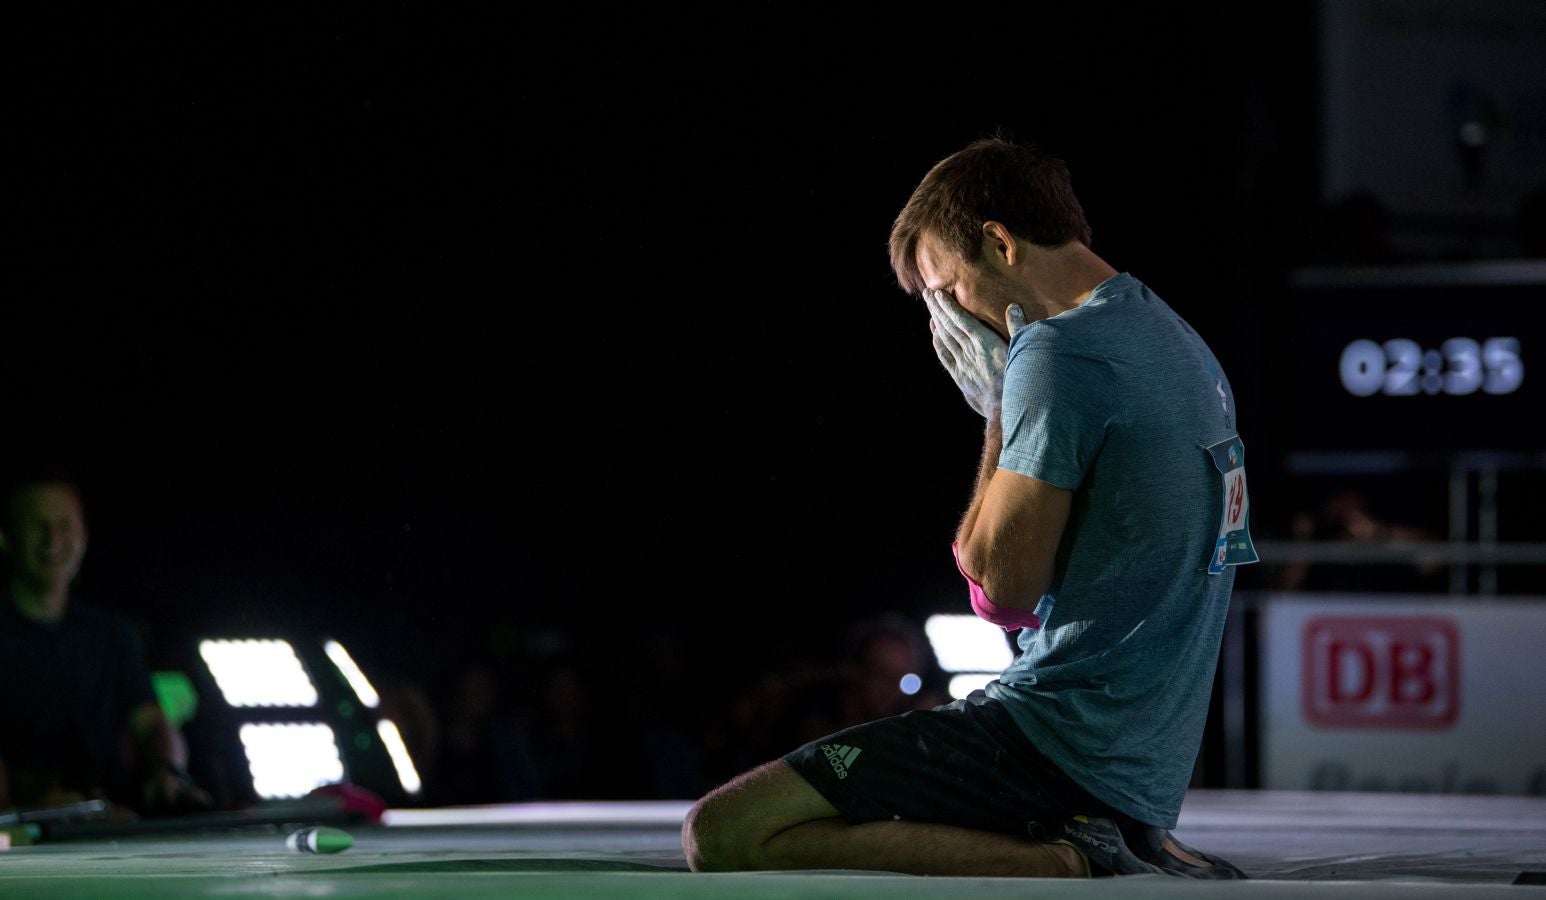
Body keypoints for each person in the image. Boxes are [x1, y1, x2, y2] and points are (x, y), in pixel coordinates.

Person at [681, 135, 1256, 879]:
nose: (950, 320)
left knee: (724, 831)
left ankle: (1069, 860)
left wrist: (998, 407)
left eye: (946, 291)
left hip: (1054, 743)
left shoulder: (1058, 352)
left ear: (1000, 243)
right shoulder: (1181, 341)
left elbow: (1001, 594)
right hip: (1144, 775)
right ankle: (1097, 838)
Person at [0, 467, 212, 817]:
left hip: (111, 821)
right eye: (37, 525)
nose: (52, 539)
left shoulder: (113, 634)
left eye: (64, 526)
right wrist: (29, 805)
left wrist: (167, 771)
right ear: (7, 538)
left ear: (83, 537)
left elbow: (151, 723)